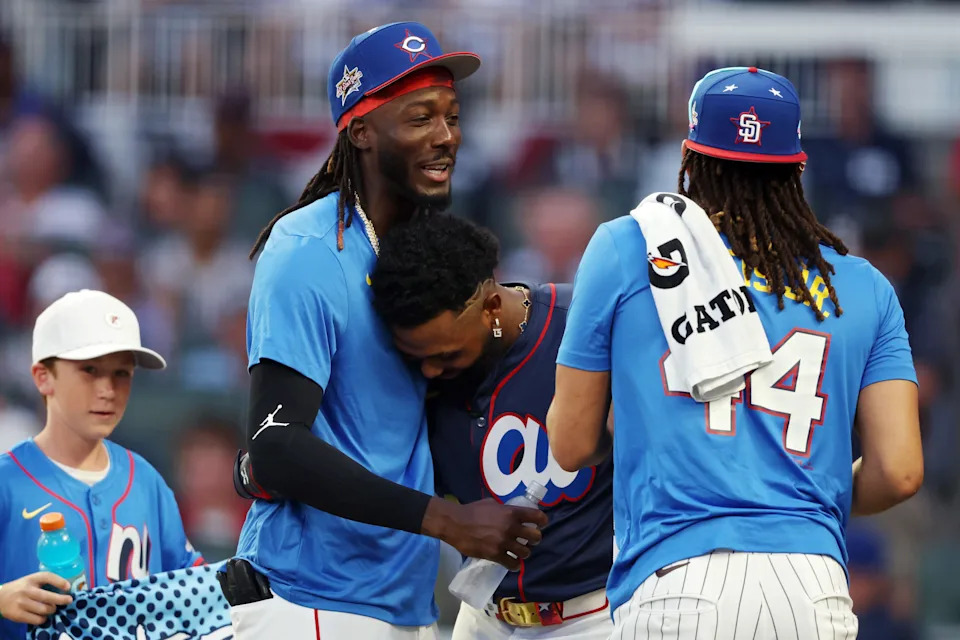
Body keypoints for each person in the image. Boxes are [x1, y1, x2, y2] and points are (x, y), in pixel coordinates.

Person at [547, 66, 923, 638]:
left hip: (677, 580)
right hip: (813, 585)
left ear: (689, 159)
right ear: (797, 166)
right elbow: (898, 472)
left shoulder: (627, 248)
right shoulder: (863, 285)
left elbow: (571, 444)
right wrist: (803, 496)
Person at [223, 22, 548, 640]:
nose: (446, 137)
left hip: (402, 603)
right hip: (311, 599)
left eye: (451, 116)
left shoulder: (427, 252)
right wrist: (448, 522)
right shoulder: (308, 249)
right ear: (363, 131)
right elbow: (275, 445)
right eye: (421, 118)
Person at [371, 212, 614, 639]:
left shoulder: (580, 326)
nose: (429, 370)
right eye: (418, 356)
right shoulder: (418, 378)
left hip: (593, 617)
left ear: (491, 306)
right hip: (483, 619)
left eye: (445, 354)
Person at [0, 289, 203, 640]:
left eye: (121, 373)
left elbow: (191, 589)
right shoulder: (7, 484)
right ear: (43, 376)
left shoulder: (146, 480)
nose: (108, 389)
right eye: (90, 370)